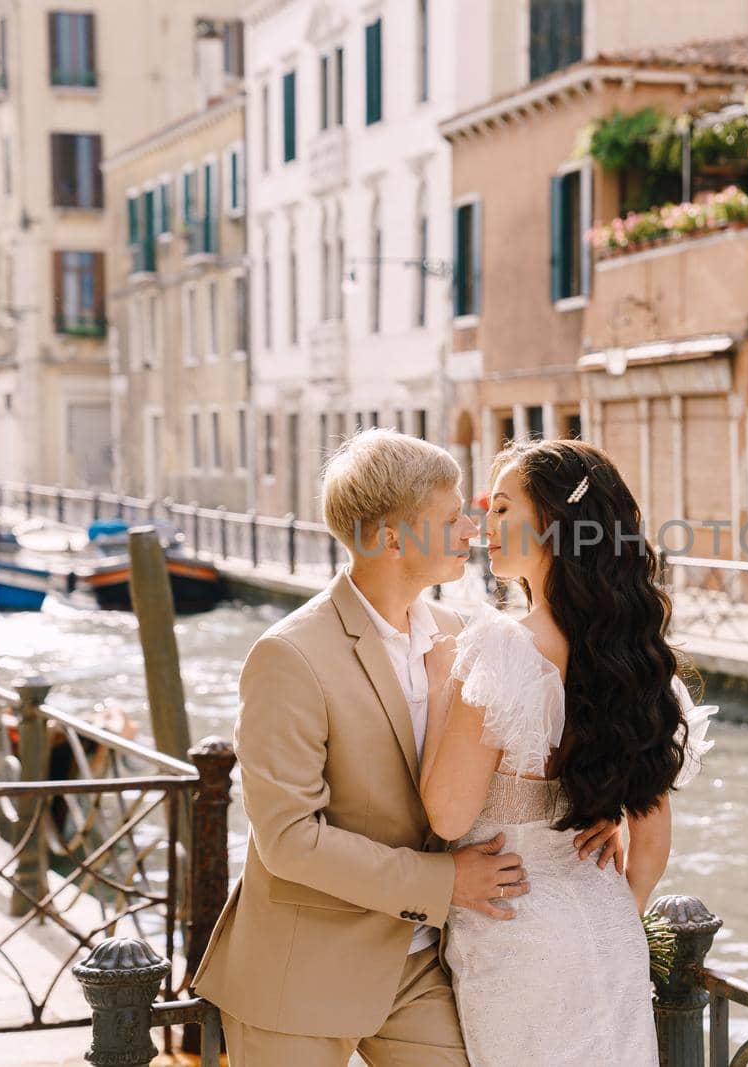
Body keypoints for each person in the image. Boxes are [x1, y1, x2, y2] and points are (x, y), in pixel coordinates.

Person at [191, 428, 623, 1066]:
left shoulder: (463, 637)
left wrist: (595, 806)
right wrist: (444, 881)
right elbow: (287, 840)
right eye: (451, 519)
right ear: (393, 539)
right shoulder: (289, 656)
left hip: (422, 964)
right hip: (302, 968)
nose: (470, 533)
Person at [420, 437, 717, 1066]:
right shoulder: (636, 665)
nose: (486, 527)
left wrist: (443, 689)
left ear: (554, 524)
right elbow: (653, 843)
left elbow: (447, 815)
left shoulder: (502, 651)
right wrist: (615, 912)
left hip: (515, 933)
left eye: (502, 509)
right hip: (609, 928)